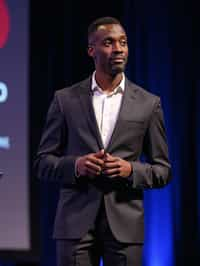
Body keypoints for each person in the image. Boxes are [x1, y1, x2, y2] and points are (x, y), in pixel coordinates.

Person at [34, 17, 172, 266]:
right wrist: (76, 165)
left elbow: (163, 170)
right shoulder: (65, 100)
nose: (118, 48)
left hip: (125, 227)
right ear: (91, 50)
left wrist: (130, 169)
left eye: (123, 42)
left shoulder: (148, 104)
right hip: (74, 225)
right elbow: (43, 163)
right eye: (109, 42)